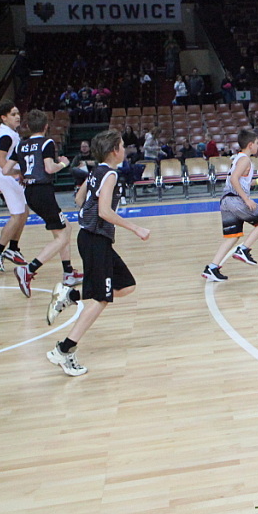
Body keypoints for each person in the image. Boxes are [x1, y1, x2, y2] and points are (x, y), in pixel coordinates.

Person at [45, 129, 151, 376]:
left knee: (126, 285)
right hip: (95, 240)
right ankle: (64, 350)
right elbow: (104, 211)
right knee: (102, 298)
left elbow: (79, 199)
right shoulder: (110, 174)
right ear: (115, 150)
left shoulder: (97, 171)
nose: (124, 150)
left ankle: (70, 296)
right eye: (122, 146)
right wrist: (136, 228)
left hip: (92, 238)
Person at [12, 110, 82, 298]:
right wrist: (64, 164)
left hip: (30, 192)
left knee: (64, 229)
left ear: (28, 126)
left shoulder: (21, 145)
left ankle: (68, 272)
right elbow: (50, 168)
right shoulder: (46, 143)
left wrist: (23, 174)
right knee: (62, 236)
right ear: (46, 126)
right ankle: (28, 269)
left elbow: (6, 168)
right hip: (43, 192)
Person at [202, 130, 258, 280]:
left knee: (232, 236)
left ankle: (212, 268)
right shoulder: (245, 159)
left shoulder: (238, 158)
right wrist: (246, 200)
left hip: (226, 201)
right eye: (257, 143)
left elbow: (240, 182)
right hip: (235, 200)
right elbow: (234, 180)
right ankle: (243, 250)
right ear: (250, 145)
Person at [0, 102, 28, 272]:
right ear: (4, 117)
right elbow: (0, 160)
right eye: (13, 114)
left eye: (18, 113)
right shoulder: (6, 136)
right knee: (17, 215)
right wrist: (15, 173)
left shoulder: (10, 132)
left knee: (24, 212)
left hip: (10, 176)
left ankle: (13, 248)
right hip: (7, 177)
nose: (17, 117)